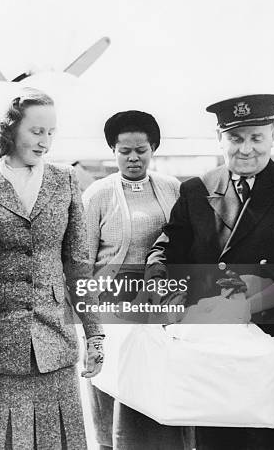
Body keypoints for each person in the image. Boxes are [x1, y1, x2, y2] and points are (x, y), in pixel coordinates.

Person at [145, 94, 274, 450]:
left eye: (256, 137)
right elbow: (165, 250)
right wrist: (167, 294)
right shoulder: (197, 189)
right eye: (236, 138)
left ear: (273, 134)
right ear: (219, 138)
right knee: (218, 440)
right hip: (214, 343)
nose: (247, 149)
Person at [0, 88, 104, 449]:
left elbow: (78, 265)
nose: (45, 142)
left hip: (56, 345)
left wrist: (95, 335)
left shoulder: (65, 180)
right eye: (37, 131)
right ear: (11, 129)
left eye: (51, 132)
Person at [82, 110, 187, 450]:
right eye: (124, 150)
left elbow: (184, 243)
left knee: (157, 393)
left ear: (153, 148)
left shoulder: (173, 188)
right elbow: (81, 261)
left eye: (141, 149)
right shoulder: (98, 194)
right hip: (111, 306)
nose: (132, 157)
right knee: (113, 390)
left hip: (160, 305)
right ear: (113, 151)